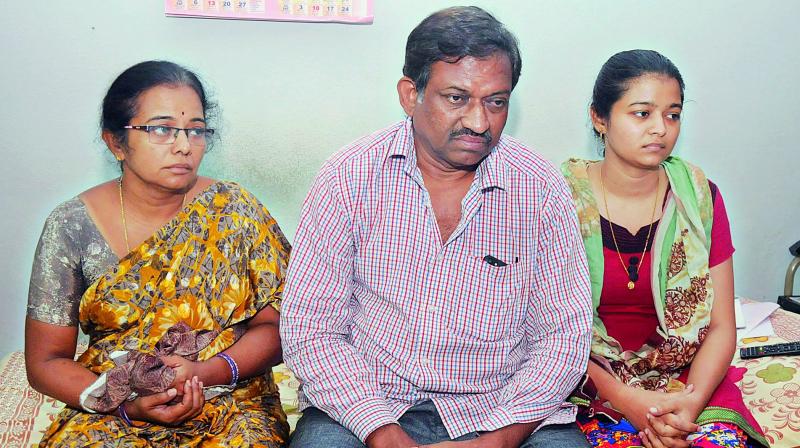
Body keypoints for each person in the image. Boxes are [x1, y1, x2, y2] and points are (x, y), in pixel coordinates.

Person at [280, 6, 593, 448]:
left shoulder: (540, 188)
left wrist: (497, 441)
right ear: (411, 95)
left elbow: (563, 337)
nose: (479, 122)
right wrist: (383, 433)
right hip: (371, 406)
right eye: (457, 98)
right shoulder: (348, 177)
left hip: (505, 410)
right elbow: (311, 329)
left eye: (496, 101)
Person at [25, 60, 290, 447]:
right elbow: (45, 361)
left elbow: (280, 325)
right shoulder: (71, 226)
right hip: (114, 403)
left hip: (230, 399)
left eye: (196, 131)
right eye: (162, 129)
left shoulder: (235, 210)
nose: (184, 146)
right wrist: (125, 406)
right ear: (116, 141)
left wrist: (208, 371)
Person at [561, 50, 768, 448]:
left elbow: (722, 327)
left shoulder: (700, 198)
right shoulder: (559, 200)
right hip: (590, 386)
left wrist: (686, 409)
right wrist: (627, 400)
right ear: (599, 118)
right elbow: (549, 333)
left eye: (672, 115)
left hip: (688, 381)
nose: (661, 128)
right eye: (642, 114)